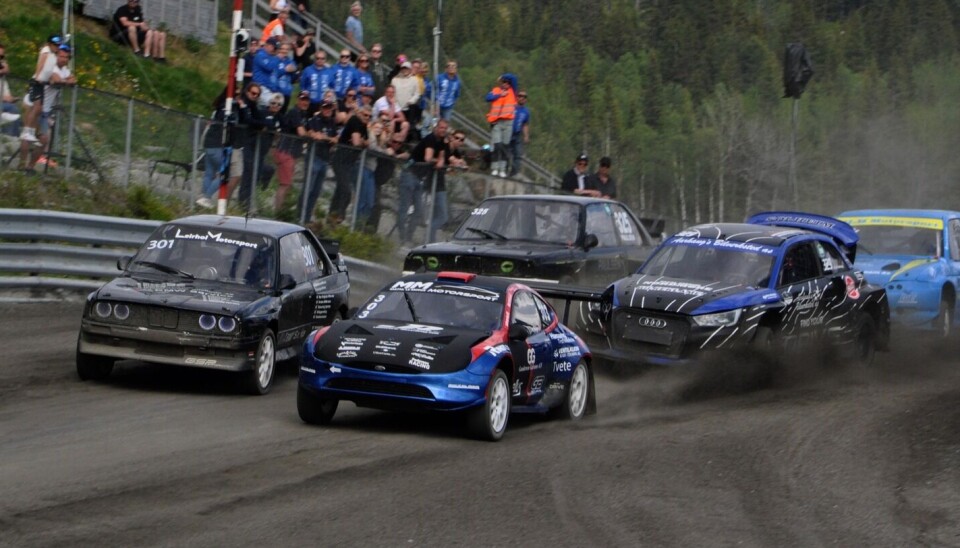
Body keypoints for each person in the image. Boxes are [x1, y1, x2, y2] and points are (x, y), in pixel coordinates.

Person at [21, 46, 76, 172]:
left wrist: (64, 81)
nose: (63, 59)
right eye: (61, 56)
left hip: (44, 110)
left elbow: (73, 79)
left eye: (66, 57)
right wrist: (65, 81)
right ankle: (21, 165)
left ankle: (30, 167)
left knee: (44, 140)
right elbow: (56, 79)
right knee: (28, 136)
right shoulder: (50, 67)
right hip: (33, 106)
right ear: (56, 56)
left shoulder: (65, 70)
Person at [399, 118, 448, 245]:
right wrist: (437, 161)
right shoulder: (430, 139)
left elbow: (441, 156)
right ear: (436, 128)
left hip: (419, 178)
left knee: (418, 210)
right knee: (404, 207)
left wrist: (440, 161)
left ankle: (408, 237)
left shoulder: (441, 141)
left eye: (445, 128)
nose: (443, 130)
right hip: (410, 174)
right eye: (441, 128)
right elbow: (428, 158)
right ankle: (402, 238)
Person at [196, 88, 244, 209]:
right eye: (237, 94)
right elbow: (228, 121)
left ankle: (202, 198)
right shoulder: (227, 107)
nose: (239, 97)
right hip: (216, 144)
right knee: (224, 173)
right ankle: (206, 197)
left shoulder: (219, 106)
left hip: (209, 143)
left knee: (209, 173)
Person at [298, 98, 339, 223]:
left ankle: (307, 217)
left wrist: (328, 138)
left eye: (329, 107)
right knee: (308, 189)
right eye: (325, 107)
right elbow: (313, 134)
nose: (327, 110)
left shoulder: (332, 122)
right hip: (313, 157)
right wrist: (328, 138)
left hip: (325, 159)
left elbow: (336, 138)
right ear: (321, 108)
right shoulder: (315, 120)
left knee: (316, 191)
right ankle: (300, 216)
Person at [329, 105, 370, 224]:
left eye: (369, 116)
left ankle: (331, 217)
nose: (367, 118)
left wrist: (360, 141)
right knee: (346, 189)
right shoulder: (354, 121)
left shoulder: (364, 126)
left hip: (348, 162)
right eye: (365, 115)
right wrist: (360, 141)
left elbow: (367, 143)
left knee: (340, 190)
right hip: (340, 159)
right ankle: (340, 216)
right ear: (360, 113)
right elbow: (357, 143)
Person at [272, 90, 311, 212]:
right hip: (286, 151)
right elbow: (301, 132)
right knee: (285, 184)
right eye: (302, 99)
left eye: (307, 100)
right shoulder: (295, 112)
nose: (305, 102)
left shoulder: (303, 114)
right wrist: (311, 134)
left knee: (287, 184)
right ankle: (278, 212)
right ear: (298, 100)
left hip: (291, 153)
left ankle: (281, 210)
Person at [429, 127, 468, 242]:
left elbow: (462, 163)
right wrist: (458, 163)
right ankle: (429, 239)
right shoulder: (445, 147)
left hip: (441, 184)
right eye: (457, 138)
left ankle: (430, 238)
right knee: (441, 216)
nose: (459, 141)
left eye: (462, 140)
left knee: (441, 215)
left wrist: (461, 163)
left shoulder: (455, 151)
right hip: (433, 182)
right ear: (451, 138)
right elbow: (453, 160)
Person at [19, 35, 60, 144]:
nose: (57, 47)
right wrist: (37, 76)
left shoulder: (53, 55)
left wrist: (50, 79)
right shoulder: (46, 51)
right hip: (38, 82)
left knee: (38, 109)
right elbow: (40, 64)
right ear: (50, 44)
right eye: (55, 45)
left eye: (58, 45)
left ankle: (32, 133)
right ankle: (26, 131)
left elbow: (49, 70)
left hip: (42, 83)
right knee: (36, 107)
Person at [485, 73, 518, 178]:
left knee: (505, 145)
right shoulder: (496, 90)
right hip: (497, 122)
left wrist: (503, 75)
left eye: (507, 82)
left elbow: (513, 78)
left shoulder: (513, 91)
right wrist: (499, 95)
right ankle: (495, 168)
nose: (505, 84)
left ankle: (502, 169)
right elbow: (488, 98)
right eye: (503, 82)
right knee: (497, 145)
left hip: (508, 122)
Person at [390, 61, 420, 138]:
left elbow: (417, 93)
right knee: (395, 126)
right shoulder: (395, 80)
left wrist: (411, 101)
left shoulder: (414, 80)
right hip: (396, 108)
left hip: (408, 109)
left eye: (407, 68)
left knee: (406, 127)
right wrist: (393, 102)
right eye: (403, 68)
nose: (405, 70)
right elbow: (391, 92)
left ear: (410, 69)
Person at [0, 43, 21, 137]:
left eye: (2, 56)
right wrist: (4, 98)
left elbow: (7, 70)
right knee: (13, 109)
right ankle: (10, 140)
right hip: (3, 103)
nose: (1, 59)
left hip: (5, 103)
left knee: (14, 110)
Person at [508, 89, 530, 177]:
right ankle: (503, 171)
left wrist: (526, 136)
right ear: (517, 97)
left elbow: (525, 124)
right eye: (520, 96)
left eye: (524, 97)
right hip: (508, 132)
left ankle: (514, 173)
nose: (522, 98)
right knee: (505, 152)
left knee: (517, 154)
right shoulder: (511, 107)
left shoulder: (526, 111)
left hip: (517, 134)